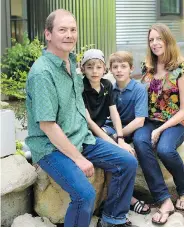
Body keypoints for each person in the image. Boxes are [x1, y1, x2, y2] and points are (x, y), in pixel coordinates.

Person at [25, 9, 138, 227]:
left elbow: (81, 114)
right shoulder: (42, 73)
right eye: (62, 30)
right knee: (84, 195)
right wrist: (78, 158)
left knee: (127, 162)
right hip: (52, 148)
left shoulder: (71, 65)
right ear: (48, 34)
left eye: (73, 30)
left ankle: (112, 219)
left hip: (82, 138)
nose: (69, 34)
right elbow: (48, 126)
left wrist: (115, 141)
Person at [135, 23, 184, 225]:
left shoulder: (181, 69)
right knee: (140, 141)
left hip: (174, 123)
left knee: (165, 149)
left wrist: (160, 129)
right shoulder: (148, 67)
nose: (155, 43)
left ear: (168, 40)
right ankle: (164, 199)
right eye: (151, 40)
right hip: (150, 121)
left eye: (159, 38)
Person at [103, 51, 151, 215]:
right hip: (112, 128)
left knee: (123, 153)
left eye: (123, 66)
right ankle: (124, 199)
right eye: (115, 67)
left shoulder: (139, 89)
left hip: (131, 129)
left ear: (131, 68)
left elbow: (140, 121)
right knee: (108, 148)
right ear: (110, 69)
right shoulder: (109, 89)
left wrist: (119, 136)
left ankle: (125, 199)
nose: (119, 70)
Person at [81, 49, 135, 155]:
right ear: (83, 69)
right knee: (119, 152)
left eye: (98, 67)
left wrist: (120, 139)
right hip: (86, 133)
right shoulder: (81, 88)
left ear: (104, 69)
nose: (95, 71)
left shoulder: (107, 85)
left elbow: (114, 113)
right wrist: (116, 146)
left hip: (102, 129)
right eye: (89, 67)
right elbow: (89, 122)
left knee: (122, 144)